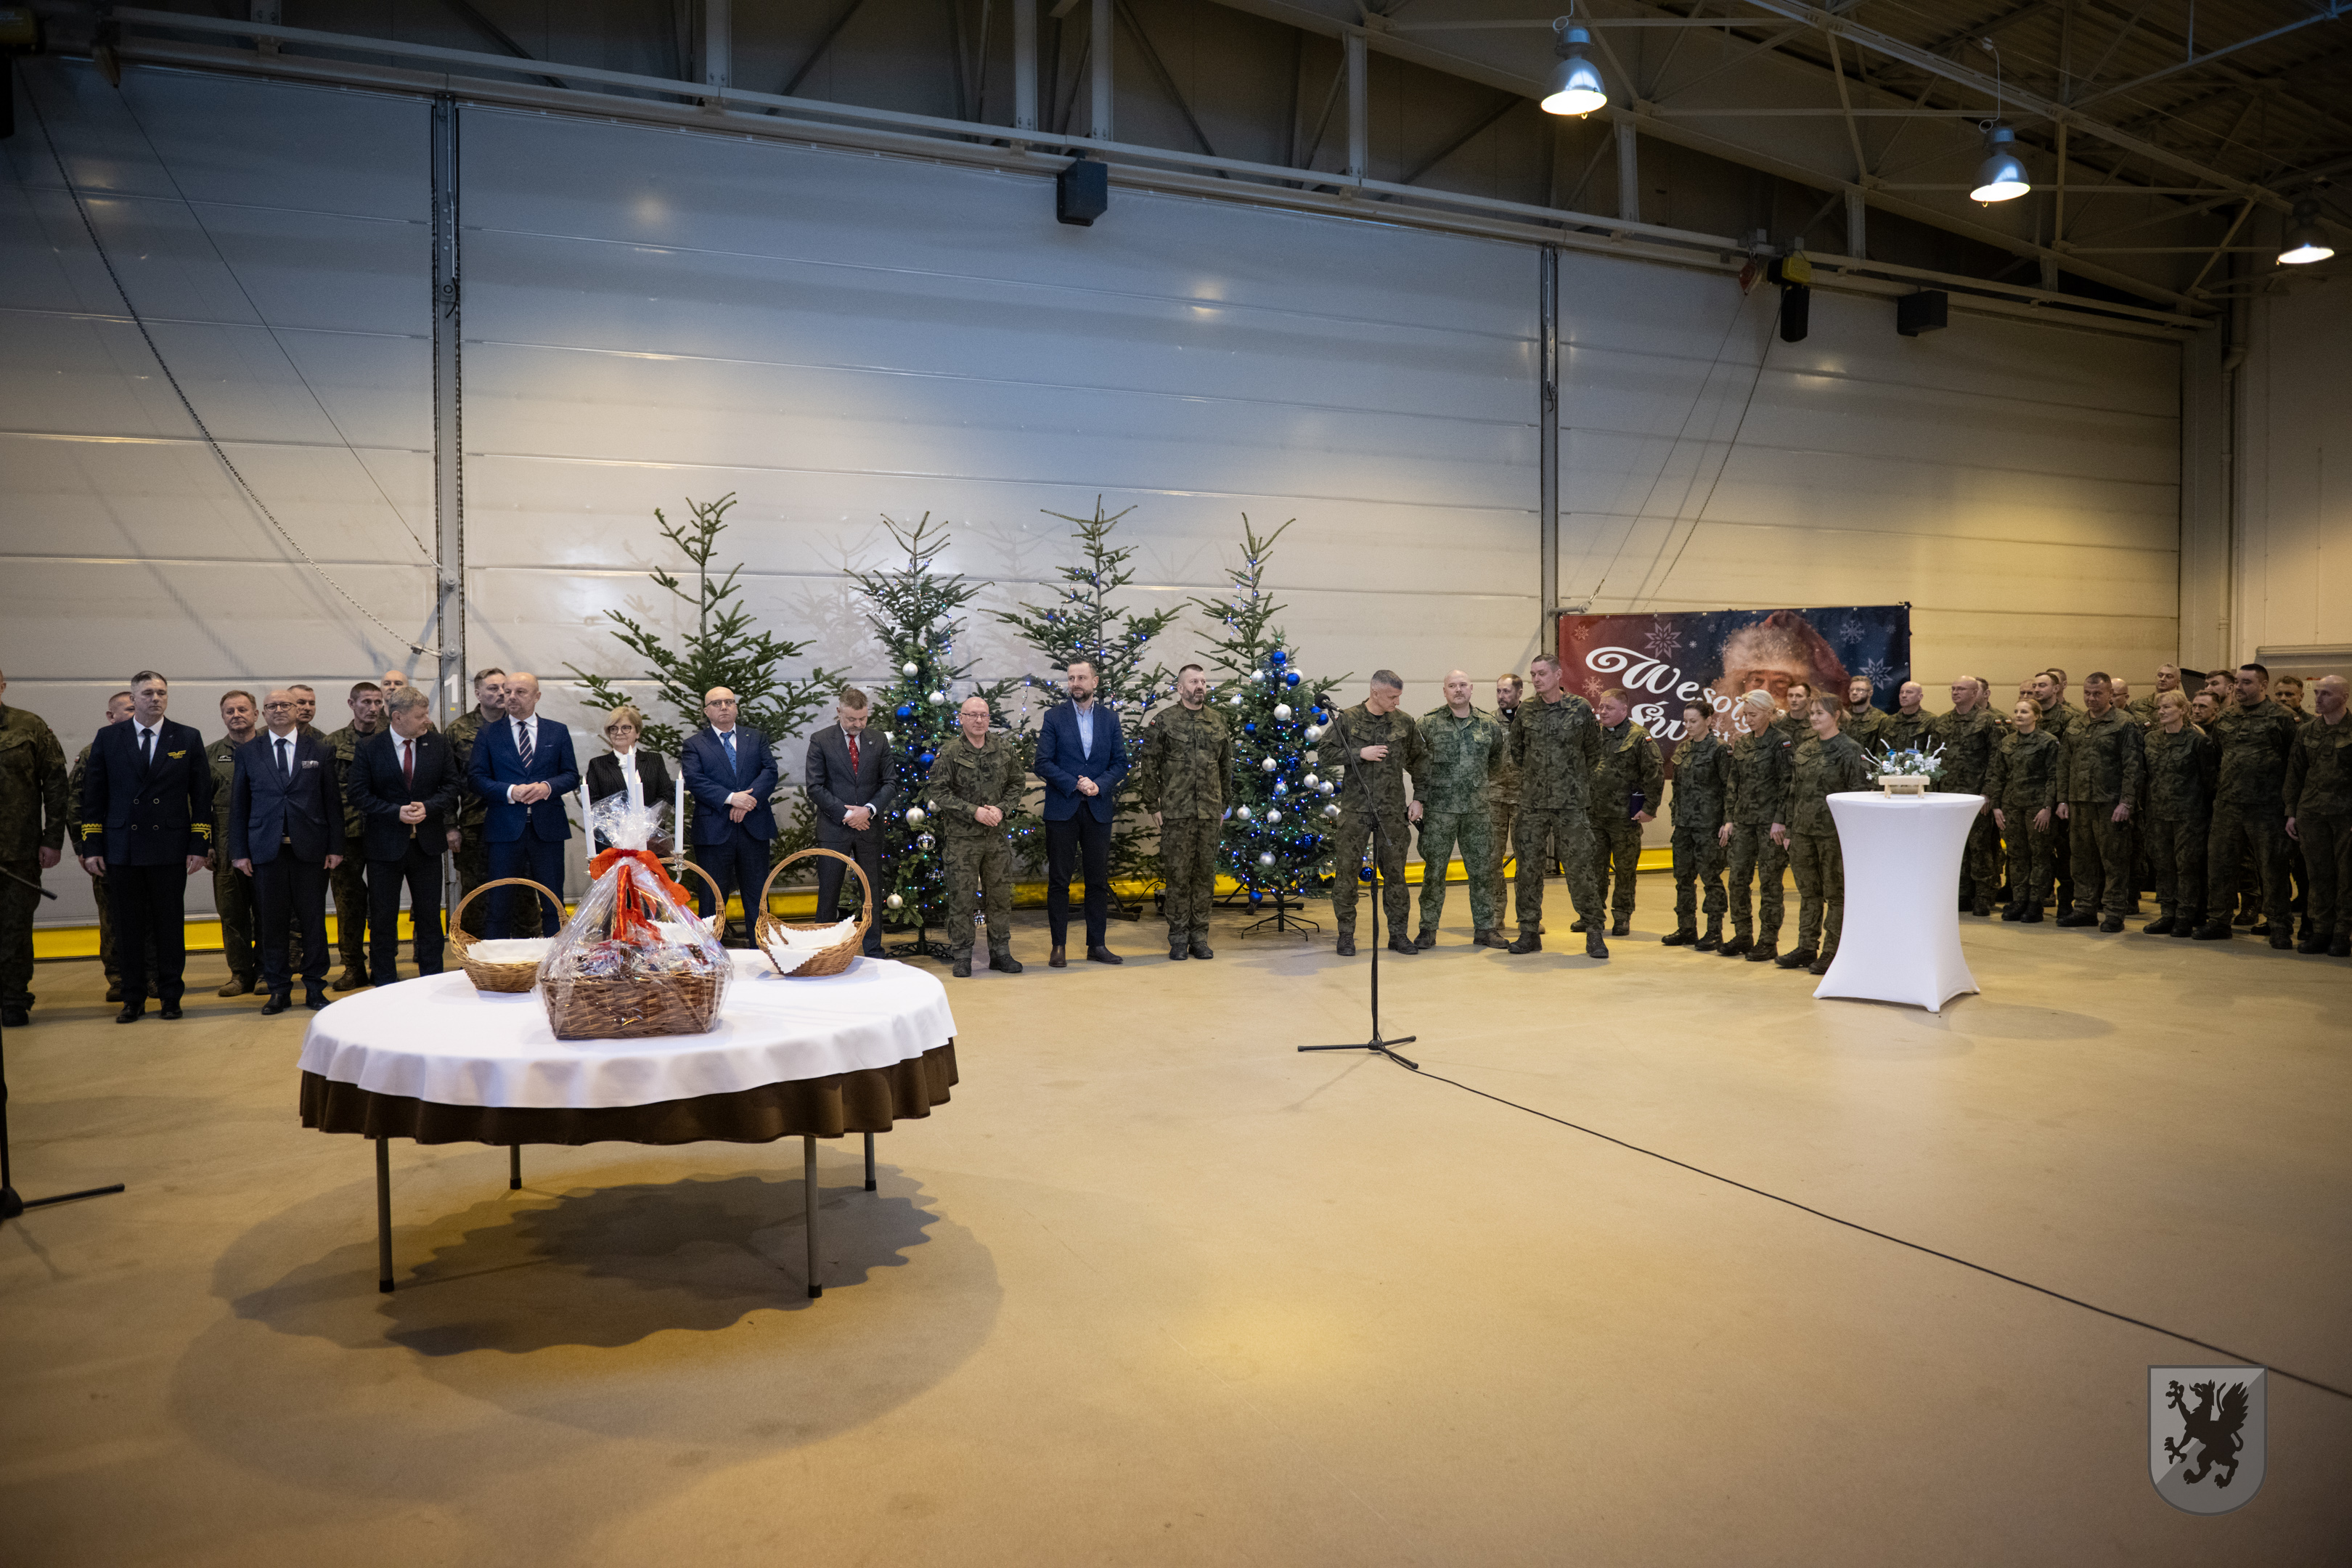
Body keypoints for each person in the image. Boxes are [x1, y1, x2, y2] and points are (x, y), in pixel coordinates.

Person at [76, 671, 212, 1023]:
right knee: (127, 928)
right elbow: (94, 796)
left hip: (169, 845)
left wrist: (199, 843)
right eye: (148, 693)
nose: (156, 699)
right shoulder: (109, 737)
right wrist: (92, 845)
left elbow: (201, 797)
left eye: (161, 693)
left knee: (170, 926)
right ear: (133, 699)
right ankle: (133, 997)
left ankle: (170, 996)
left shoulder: (187, 736)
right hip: (123, 847)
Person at [230, 690, 346, 1013]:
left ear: (297, 710)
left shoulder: (320, 750)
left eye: (285, 705)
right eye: (272, 706)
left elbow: (332, 803)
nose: (279, 710)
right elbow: (239, 805)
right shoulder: (249, 752)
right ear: (263, 713)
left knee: (313, 922)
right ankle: (278, 989)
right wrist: (239, 851)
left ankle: (315, 987)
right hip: (266, 852)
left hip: (310, 851)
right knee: (271, 924)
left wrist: (336, 847)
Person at [347, 686, 462, 987]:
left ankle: (432, 980)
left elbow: (452, 786)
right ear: (398, 717)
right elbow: (358, 794)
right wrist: (394, 812)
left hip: (427, 846)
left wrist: (429, 807)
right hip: (385, 847)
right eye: (421, 715)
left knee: (429, 916)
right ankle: (384, 981)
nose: (427, 720)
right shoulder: (370, 747)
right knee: (383, 917)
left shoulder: (437, 743)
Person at [1506, 655, 1606, 959]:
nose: (1536, 679)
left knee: (1580, 867)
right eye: (1533, 674)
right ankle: (1528, 931)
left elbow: (1594, 751)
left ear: (1558, 674)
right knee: (1528, 869)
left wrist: (1571, 781)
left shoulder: (1580, 708)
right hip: (1533, 803)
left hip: (1571, 803)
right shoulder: (1526, 710)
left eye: (1542, 673)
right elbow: (1518, 751)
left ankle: (1594, 931)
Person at [1325, 672, 1430, 958]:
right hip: (1356, 809)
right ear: (1375, 692)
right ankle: (1346, 935)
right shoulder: (1348, 719)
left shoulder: (1404, 722)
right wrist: (1360, 753)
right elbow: (1325, 753)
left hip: (1392, 811)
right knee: (1347, 874)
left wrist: (1419, 798)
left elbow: (1421, 760)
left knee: (1396, 875)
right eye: (1392, 697)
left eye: (1399, 696)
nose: (1397, 702)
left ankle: (1398, 935)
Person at [467, 671, 579, 939]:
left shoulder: (557, 731)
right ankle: (496, 960)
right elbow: (476, 778)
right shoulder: (489, 733)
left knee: (553, 901)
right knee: (499, 903)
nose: (511, 697)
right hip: (504, 829)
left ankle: (555, 957)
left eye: (520, 692)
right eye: (507, 692)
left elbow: (571, 775)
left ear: (537, 696)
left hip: (548, 829)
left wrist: (547, 787)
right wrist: (510, 791)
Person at [1034, 661, 1130, 967]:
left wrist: (1098, 785)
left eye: (1082, 678)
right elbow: (1042, 762)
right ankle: (1058, 946)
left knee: (1097, 881)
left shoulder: (1110, 719)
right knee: (1059, 881)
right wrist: (1075, 783)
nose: (1075, 683)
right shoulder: (1054, 717)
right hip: (1062, 809)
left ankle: (1097, 945)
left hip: (1097, 808)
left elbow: (1120, 763)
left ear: (1095, 682)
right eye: (1071, 678)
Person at [2196, 663, 2297, 947]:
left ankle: (2279, 925)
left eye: (2246, 682)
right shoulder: (2226, 717)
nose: (2239, 687)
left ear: (2263, 685)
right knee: (2221, 865)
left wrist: (2289, 806)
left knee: (2272, 868)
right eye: (2237, 682)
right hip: (2228, 805)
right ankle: (2219, 921)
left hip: (2267, 808)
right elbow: (2218, 756)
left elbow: (2294, 763)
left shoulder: (2282, 718)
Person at [1136, 665, 1231, 962]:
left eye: (1203, 681)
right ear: (1180, 688)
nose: (1200, 686)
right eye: (1193, 681)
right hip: (1177, 811)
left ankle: (1199, 937)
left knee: (1204, 877)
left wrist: (1223, 805)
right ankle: (1178, 938)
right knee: (1178, 877)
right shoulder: (1164, 721)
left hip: (1209, 811)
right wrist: (1153, 804)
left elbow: (1226, 765)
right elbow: (1149, 765)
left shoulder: (1218, 721)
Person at [1776, 699, 1873, 976]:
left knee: (1836, 894)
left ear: (1836, 715)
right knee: (1809, 893)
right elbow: (1793, 792)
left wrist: (1852, 836)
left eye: (1820, 713)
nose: (1813, 718)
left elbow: (1858, 795)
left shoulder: (1850, 750)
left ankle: (1833, 951)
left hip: (1833, 834)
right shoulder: (1805, 749)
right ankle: (1807, 947)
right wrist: (1790, 830)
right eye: (1812, 713)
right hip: (1804, 832)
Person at [933, 695, 1025, 978]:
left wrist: (1002, 808)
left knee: (1000, 897)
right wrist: (973, 811)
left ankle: (1001, 953)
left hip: (996, 837)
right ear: (961, 718)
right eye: (972, 715)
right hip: (962, 840)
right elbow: (939, 792)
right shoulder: (950, 752)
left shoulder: (1003, 748)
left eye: (983, 715)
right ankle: (962, 955)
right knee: (962, 898)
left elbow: (1017, 783)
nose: (978, 720)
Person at [1413, 670, 1507, 950]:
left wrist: (1474, 785)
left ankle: (1486, 929)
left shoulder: (1488, 724)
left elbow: (1496, 761)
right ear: (1444, 691)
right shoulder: (1428, 723)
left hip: (1477, 811)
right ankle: (1428, 929)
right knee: (1434, 872)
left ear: (1472, 688)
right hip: (1439, 812)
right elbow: (1415, 761)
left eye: (1463, 685)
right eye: (1452, 686)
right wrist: (1422, 796)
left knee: (1482, 872)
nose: (1458, 690)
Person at [678, 687, 776, 946]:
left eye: (729, 702)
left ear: (736, 707)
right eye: (717, 703)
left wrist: (747, 802)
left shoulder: (756, 738)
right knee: (712, 898)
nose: (723, 707)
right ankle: (711, 954)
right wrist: (732, 799)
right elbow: (695, 780)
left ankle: (762, 951)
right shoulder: (694, 744)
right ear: (706, 711)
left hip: (754, 827)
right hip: (714, 831)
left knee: (757, 896)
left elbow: (770, 771)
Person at [0, 669, 70, 1028]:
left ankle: (13, 999)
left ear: (2, 685)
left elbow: (56, 784)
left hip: (18, 851)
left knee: (14, 929)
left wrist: (52, 839)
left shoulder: (29, 726)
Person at [804, 686, 896, 960]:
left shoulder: (878, 739)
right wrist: (848, 816)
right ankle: (824, 951)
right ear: (839, 712)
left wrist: (868, 811)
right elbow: (815, 787)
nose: (858, 725)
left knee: (871, 891)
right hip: (834, 828)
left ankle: (873, 951)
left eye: (863, 719)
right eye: (851, 719)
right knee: (828, 892)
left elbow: (890, 783)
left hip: (869, 827)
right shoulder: (821, 740)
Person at [2054, 673, 2144, 932]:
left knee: (2114, 861)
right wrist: (2063, 800)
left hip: (2110, 804)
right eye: (2087, 693)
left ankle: (2114, 912)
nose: (2091, 699)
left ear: (2110, 695)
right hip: (2079, 802)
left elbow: (2133, 767)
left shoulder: (2124, 723)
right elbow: (2064, 765)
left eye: (2097, 694)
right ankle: (2084, 909)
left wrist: (2126, 802)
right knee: (2081, 860)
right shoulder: (2076, 724)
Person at [68, 691, 138, 1001]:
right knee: (113, 917)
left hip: (148, 847)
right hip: (109, 849)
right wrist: (83, 846)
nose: (136, 713)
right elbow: (77, 803)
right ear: (111, 717)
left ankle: (151, 975)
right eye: (129, 709)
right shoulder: (95, 750)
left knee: (151, 915)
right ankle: (119, 977)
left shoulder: (155, 746)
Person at [322, 681, 388, 990]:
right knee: (348, 904)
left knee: (383, 902)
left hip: (383, 831)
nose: (373, 708)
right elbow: (325, 793)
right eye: (366, 702)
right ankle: (352, 966)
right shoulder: (334, 743)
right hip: (346, 835)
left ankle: (383, 964)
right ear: (352, 704)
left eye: (378, 702)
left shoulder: (391, 738)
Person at [1718, 690, 1792, 964]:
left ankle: (1768, 941)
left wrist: (1781, 820)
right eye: (1746, 715)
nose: (1748, 720)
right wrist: (1729, 819)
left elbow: (1787, 784)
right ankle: (1742, 935)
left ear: (1769, 713)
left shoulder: (1781, 742)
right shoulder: (1742, 743)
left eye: (1753, 714)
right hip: (1743, 822)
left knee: (1770, 883)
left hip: (1770, 824)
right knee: (1737, 879)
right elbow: (1733, 784)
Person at [1583, 687, 1662, 939]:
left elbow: (1654, 773)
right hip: (1595, 815)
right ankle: (1593, 916)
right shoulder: (1594, 734)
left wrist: (1649, 809)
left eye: (1609, 708)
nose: (1602, 712)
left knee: (1625, 870)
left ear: (1624, 710)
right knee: (1594, 869)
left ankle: (1622, 916)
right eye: (1601, 707)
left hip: (1624, 818)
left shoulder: (1639, 737)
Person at [2138, 690, 2216, 937]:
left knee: (2187, 867)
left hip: (2189, 815)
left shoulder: (2198, 741)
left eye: (2167, 707)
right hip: (2158, 814)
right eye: (2159, 708)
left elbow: (2209, 781)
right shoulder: (2151, 740)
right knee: (2163, 866)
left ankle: (2186, 915)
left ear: (2183, 710)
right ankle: (2168, 913)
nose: (2161, 712)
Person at [2284, 674, 2350, 957]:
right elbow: (2295, 774)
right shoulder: (2307, 731)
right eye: (2317, 692)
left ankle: (2342, 933)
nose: (2318, 698)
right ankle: (2321, 931)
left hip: (2345, 815)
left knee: (2346, 876)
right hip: (2311, 813)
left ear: (2344, 697)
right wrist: (2291, 813)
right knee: (2318, 874)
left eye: (2326, 693)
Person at [1662, 701, 1732, 950]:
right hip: (1684, 825)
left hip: (1708, 826)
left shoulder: (1720, 749)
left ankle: (1714, 931)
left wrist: (1727, 821)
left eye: (1693, 721)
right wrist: (1675, 814)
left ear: (1708, 720)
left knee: (1711, 878)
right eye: (1686, 721)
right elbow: (1677, 786)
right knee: (1683, 878)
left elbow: (1729, 789)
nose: (1688, 726)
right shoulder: (1683, 748)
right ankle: (1687, 928)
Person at [205, 690, 262, 997]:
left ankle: (267, 971)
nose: (236, 715)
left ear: (256, 714)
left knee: (269, 911)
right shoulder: (210, 755)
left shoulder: (271, 748)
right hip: (225, 845)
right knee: (232, 912)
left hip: (265, 841)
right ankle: (240, 974)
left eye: (242, 709)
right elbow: (197, 803)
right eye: (230, 711)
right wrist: (205, 844)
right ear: (223, 716)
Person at [1933, 677, 2004, 915]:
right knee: (1956, 847)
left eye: (1961, 689)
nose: (1955, 692)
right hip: (1948, 796)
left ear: (1975, 693)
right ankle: (1962, 893)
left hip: (1975, 797)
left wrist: (1988, 793)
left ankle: (1983, 895)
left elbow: (1996, 759)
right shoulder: (1942, 722)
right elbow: (1934, 759)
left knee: (1980, 847)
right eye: (1953, 689)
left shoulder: (1988, 721)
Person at [444, 668, 506, 936]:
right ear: (478, 694)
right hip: (474, 824)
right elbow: (446, 783)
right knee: (476, 895)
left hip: (513, 823)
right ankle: (473, 953)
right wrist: (450, 826)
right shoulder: (458, 731)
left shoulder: (518, 725)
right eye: (493, 688)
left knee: (519, 891)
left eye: (504, 687)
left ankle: (520, 955)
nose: (501, 693)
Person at [1988, 698, 2062, 923]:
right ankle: (2019, 900)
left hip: (2037, 807)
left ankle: (2035, 902)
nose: (2019, 715)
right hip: (2012, 806)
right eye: (2017, 711)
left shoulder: (2048, 741)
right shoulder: (2007, 742)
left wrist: (2048, 807)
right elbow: (1998, 775)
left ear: (2037, 716)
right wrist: (1996, 807)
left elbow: (2054, 777)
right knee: (2017, 855)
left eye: (2025, 712)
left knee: (2039, 854)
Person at [585, 704, 675, 853]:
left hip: (650, 840)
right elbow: (593, 802)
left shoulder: (654, 760)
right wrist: (618, 827)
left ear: (637, 732)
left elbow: (667, 794)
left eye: (626, 728)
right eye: (613, 728)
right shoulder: (597, 764)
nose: (619, 732)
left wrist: (647, 821)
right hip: (612, 843)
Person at [1487, 674, 1524, 929]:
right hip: (1495, 798)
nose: (1501, 696)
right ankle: (1495, 914)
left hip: (1524, 799)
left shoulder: (1530, 720)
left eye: (1507, 691)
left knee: (1527, 859)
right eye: (1499, 691)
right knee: (1492, 858)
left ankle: (1528, 916)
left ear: (1519, 693)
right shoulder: (1488, 722)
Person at [1841, 676, 1890, 754]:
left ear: (1870, 693)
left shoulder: (1881, 719)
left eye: (1859, 690)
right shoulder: (1842, 717)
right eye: (1851, 690)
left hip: (1867, 760)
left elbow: (1882, 752)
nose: (1854, 693)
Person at [1882, 681, 1933, 755]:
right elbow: (1881, 751)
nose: (1904, 695)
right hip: (1891, 762)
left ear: (1920, 696)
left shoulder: (1930, 721)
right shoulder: (1889, 721)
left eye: (1909, 692)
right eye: (1901, 692)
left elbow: (1933, 752)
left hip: (1918, 762)